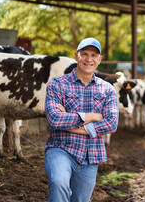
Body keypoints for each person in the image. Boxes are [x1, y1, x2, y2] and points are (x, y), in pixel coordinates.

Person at [44, 37, 119, 202]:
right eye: (84, 54)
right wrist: (91, 117)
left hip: (91, 155)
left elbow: (112, 123)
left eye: (93, 55)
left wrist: (71, 124)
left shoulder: (107, 89)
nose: (88, 59)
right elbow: (54, 119)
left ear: (99, 60)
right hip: (61, 149)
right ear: (76, 56)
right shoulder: (57, 84)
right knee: (58, 182)